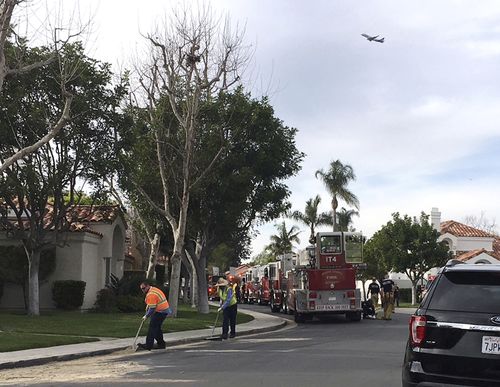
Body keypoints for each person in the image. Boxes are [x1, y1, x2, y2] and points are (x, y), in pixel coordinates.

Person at [137, 281, 172, 351]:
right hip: (163, 310)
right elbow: (152, 304)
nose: (143, 290)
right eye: (141, 289)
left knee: (152, 328)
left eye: (144, 288)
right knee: (157, 328)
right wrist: (148, 306)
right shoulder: (153, 289)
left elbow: (152, 309)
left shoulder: (151, 294)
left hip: (161, 311)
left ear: (147, 286)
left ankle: (148, 345)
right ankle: (161, 344)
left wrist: (146, 316)